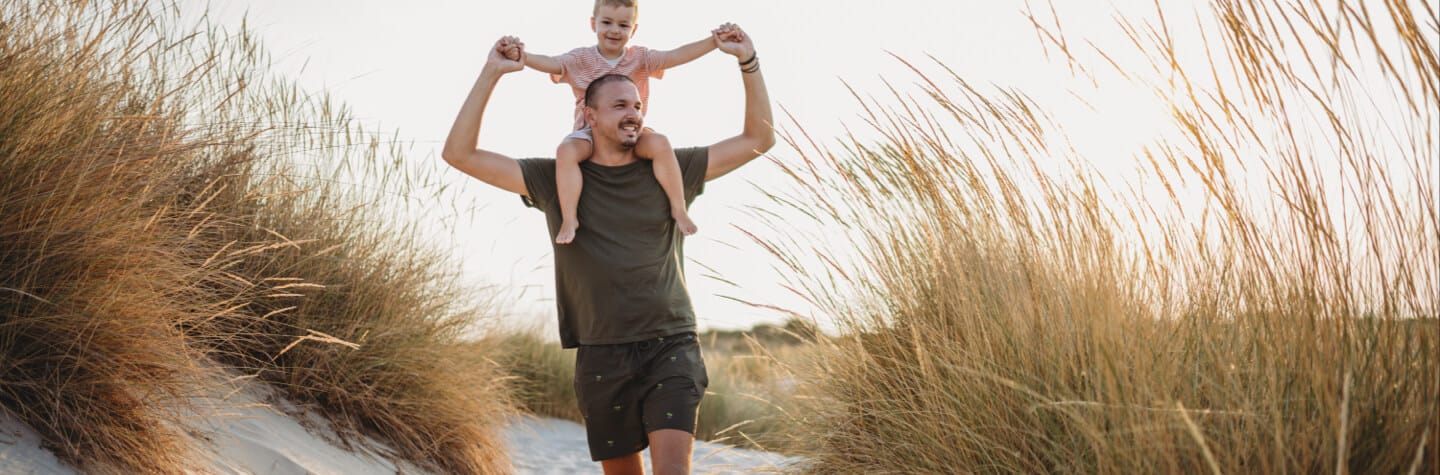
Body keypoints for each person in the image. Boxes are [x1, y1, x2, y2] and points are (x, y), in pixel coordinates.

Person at [442, 25, 772, 475]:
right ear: (589, 115)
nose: (633, 113)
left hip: (670, 342)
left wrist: (747, 62)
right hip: (600, 354)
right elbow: (460, 154)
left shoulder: (669, 167)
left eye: (636, 104)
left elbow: (759, 138)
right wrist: (492, 73)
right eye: (619, 106)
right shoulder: (554, 179)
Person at [514, 0, 727, 244]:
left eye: (623, 25)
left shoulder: (642, 58)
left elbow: (675, 56)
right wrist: (523, 56)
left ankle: (678, 208)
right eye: (607, 22)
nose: (615, 30)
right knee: (566, 151)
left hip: (630, 133)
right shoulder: (581, 59)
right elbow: (552, 63)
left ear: (633, 30)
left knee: (659, 143)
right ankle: (570, 218)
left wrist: (713, 42)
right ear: (593, 24)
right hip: (589, 134)